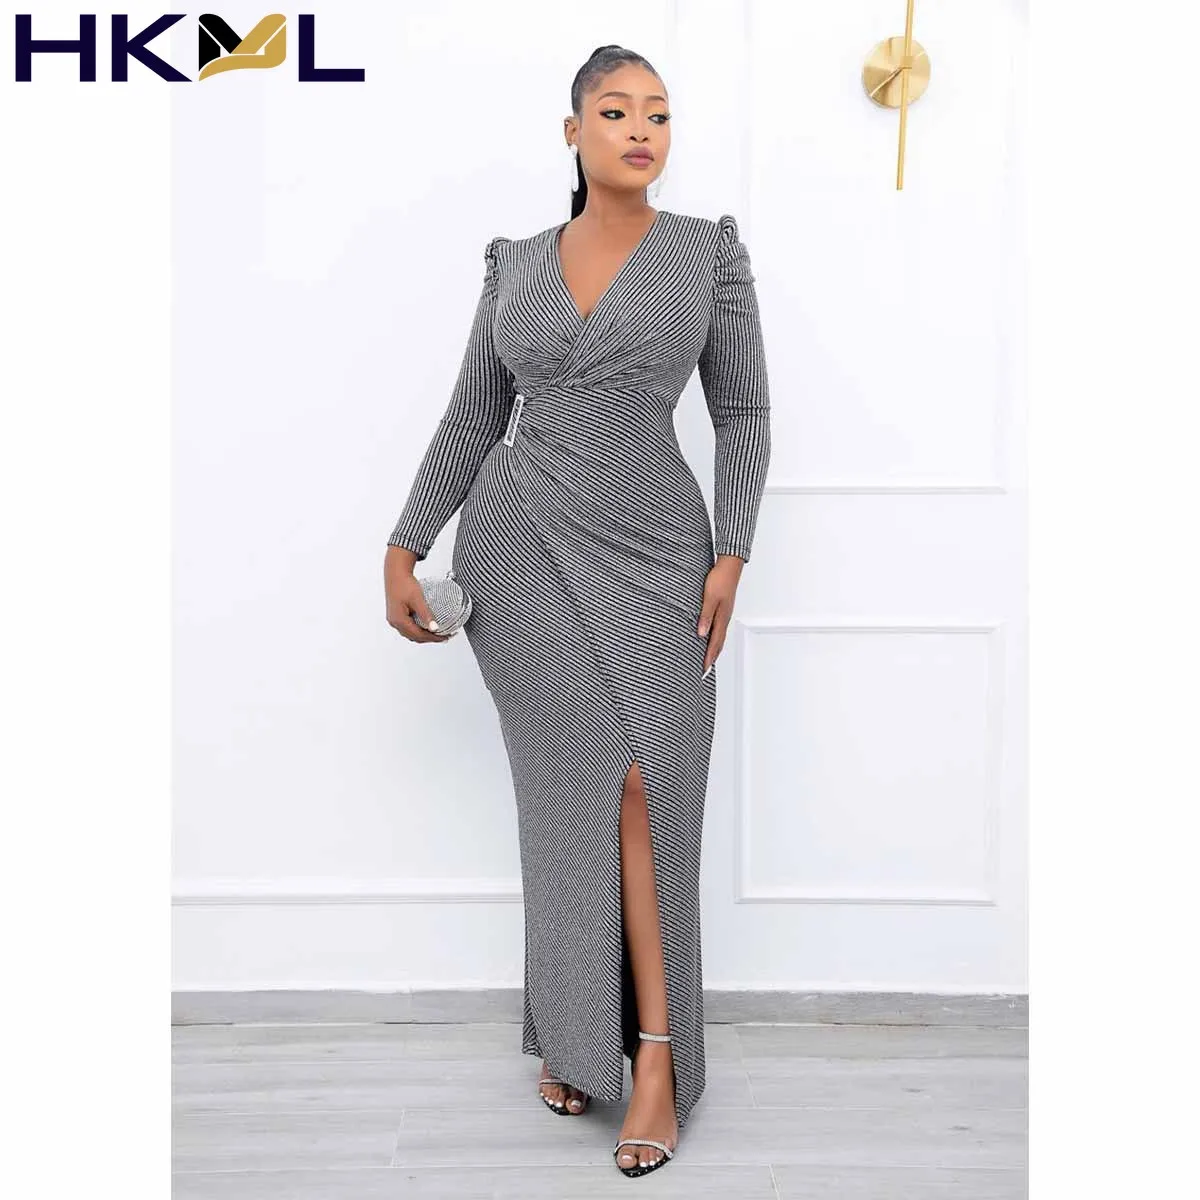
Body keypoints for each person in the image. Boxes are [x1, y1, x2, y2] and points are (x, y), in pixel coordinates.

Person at [383, 43, 771, 1179]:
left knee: (651, 783)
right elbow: (472, 415)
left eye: (658, 114)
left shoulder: (705, 255)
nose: (641, 130)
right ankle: (574, 1034)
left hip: (657, 549)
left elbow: (745, 411)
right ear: (573, 132)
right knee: (568, 799)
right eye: (615, 111)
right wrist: (406, 540)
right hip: (517, 550)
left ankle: (656, 1058)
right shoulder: (514, 266)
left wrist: (733, 551)